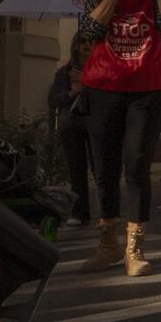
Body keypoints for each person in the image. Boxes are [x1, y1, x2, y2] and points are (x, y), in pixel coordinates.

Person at [74, 0, 161, 276]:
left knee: (136, 167)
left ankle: (135, 249)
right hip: (103, 90)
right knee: (104, 170)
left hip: (145, 93)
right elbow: (91, 29)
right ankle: (108, 245)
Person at [48, 37, 94, 226]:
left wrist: (88, 83)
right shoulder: (64, 73)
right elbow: (53, 101)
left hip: (94, 124)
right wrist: (72, 92)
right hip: (72, 126)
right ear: (75, 46)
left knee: (101, 169)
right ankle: (80, 212)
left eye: (90, 42)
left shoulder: (101, 70)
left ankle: (109, 213)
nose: (86, 45)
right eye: (82, 42)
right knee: (77, 170)